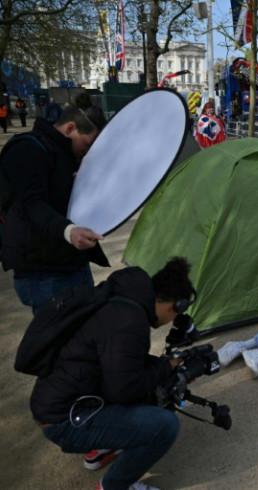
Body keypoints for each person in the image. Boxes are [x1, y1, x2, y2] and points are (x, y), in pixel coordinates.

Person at [31, 257, 196, 490]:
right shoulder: (131, 323)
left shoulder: (122, 300)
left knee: (148, 391)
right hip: (64, 421)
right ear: (173, 307)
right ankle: (112, 486)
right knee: (165, 426)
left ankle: (100, 450)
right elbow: (122, 390)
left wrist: (162, 366)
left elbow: (121, 364)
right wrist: (165, 369)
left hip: (61, 403)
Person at [1, 100, 109, 313]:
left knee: (82, 334)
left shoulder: (66, 153)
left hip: (70, 262)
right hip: (43, 273)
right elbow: (33, 204)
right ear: (70, 128)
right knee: (59, 340)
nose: (87, 152)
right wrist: (69, 231)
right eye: (87, 145)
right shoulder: (27, 150)